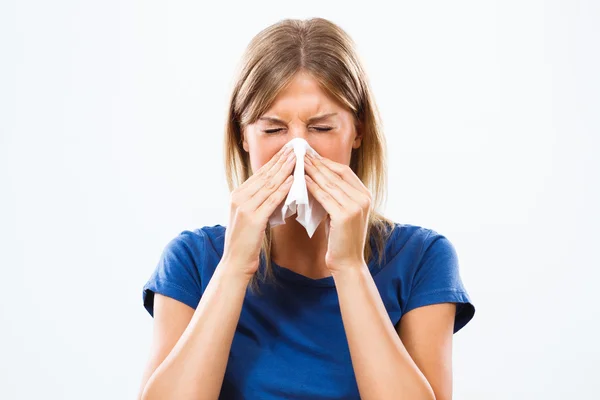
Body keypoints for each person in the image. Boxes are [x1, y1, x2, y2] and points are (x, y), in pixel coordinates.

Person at [137, 17, 475, 400]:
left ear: (358, 131)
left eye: (322, 128)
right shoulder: (192, 261)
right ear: (243, 137)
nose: (298, 153)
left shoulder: (422, 259)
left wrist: (349, 266)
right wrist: (233, 268)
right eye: (273, 130)